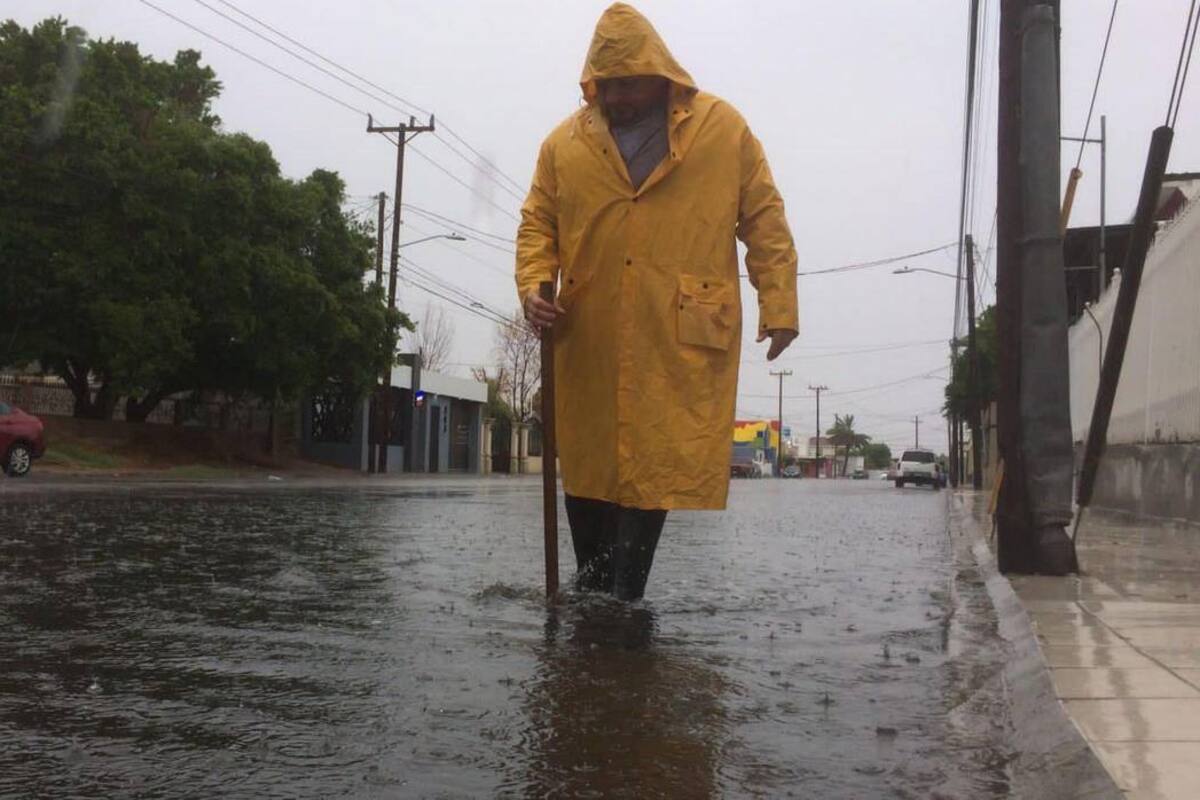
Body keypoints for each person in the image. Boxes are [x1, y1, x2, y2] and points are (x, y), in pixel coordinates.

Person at [516, 3, 799, 601]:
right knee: (591, 461)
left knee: (653, 460)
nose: (615, 96)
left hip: (677, 326)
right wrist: (535, 283)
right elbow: (537, 223)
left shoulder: (723, 130)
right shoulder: (563, 144)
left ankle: (624, 596)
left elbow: (764, 219)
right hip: (588, 326)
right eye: (605, 84)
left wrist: (780, 304)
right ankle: (599, 592)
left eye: (627, 82)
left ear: (659, 71)